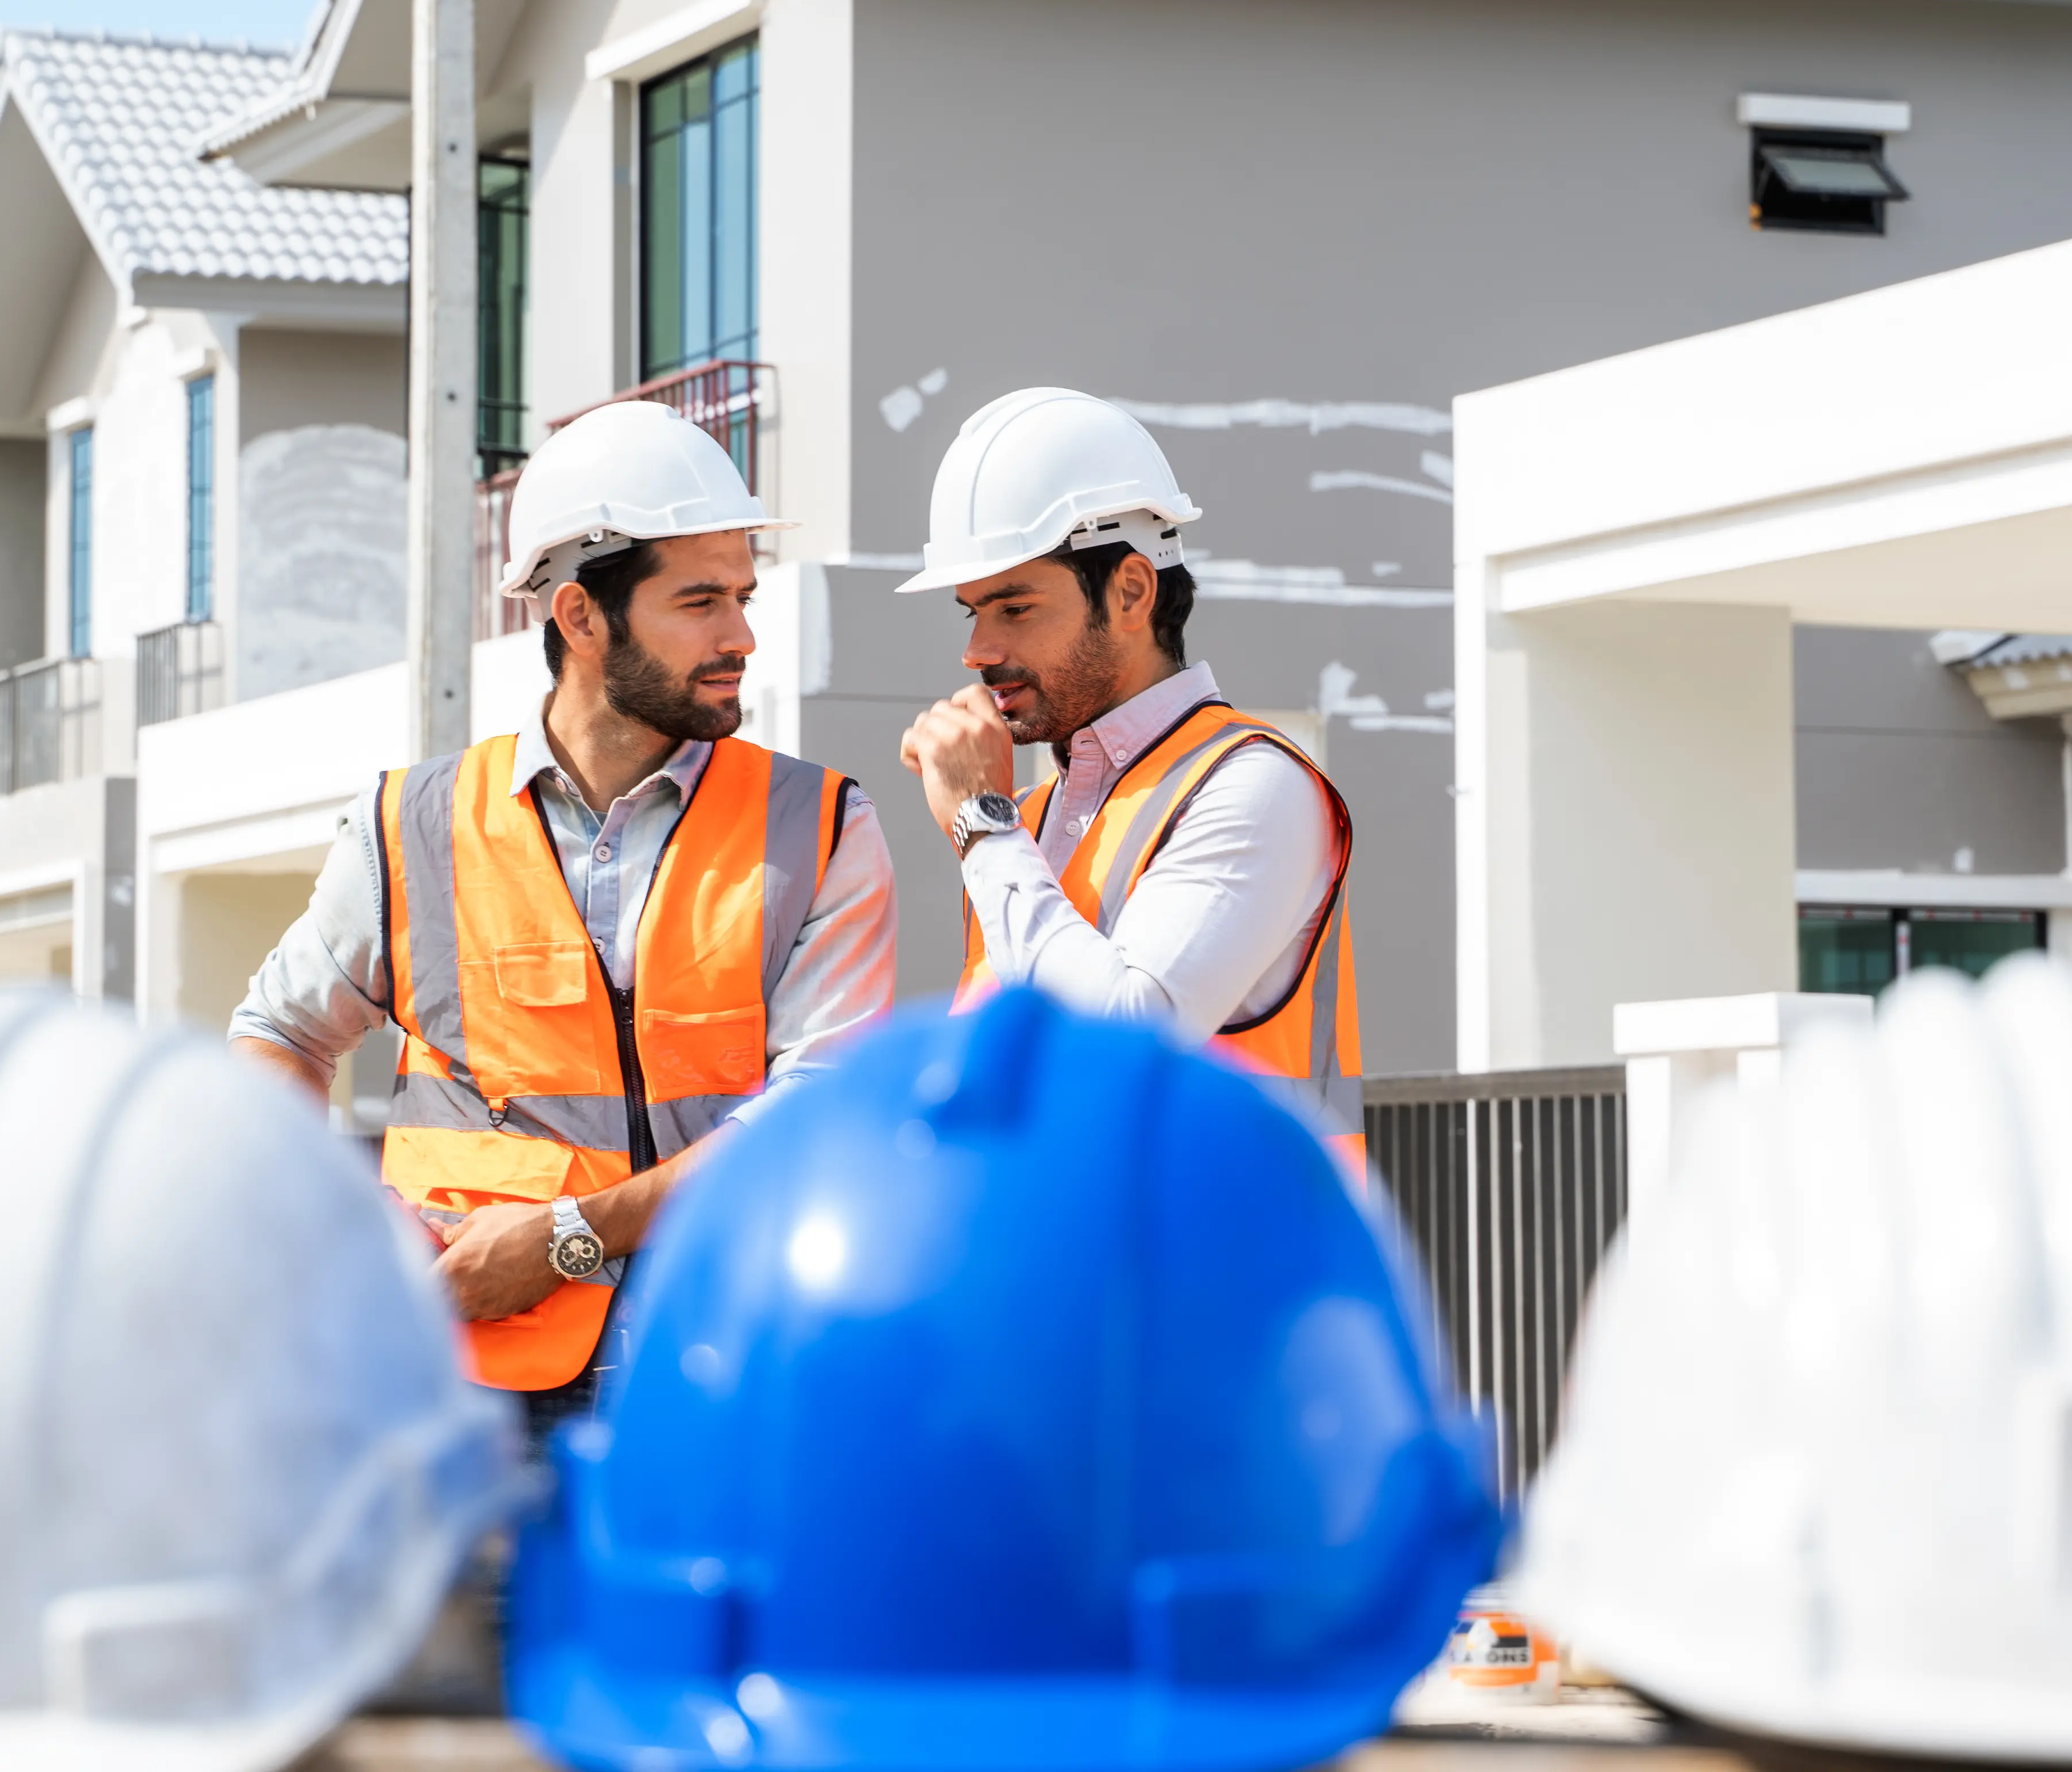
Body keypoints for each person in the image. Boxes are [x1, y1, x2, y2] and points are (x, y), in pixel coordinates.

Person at [231, 402, 896, 1426]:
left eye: (744, 597)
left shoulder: (820, 827)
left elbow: (818, 1115)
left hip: (722, 1387)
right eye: (701, 602)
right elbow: (276, 1034)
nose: (741, 637)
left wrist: (566, 1239)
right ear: (581, 616)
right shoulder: (411, 826)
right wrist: (352, 1224)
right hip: (456, 1395)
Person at [896, 387, 1361, 1159]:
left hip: (1227, 1274)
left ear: (1133, 591)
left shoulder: (1253, 784)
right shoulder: (1034, 818)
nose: (977, 649)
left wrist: (980, 822)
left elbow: (1122, 1042)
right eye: (971, 611)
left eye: (1014, 608)